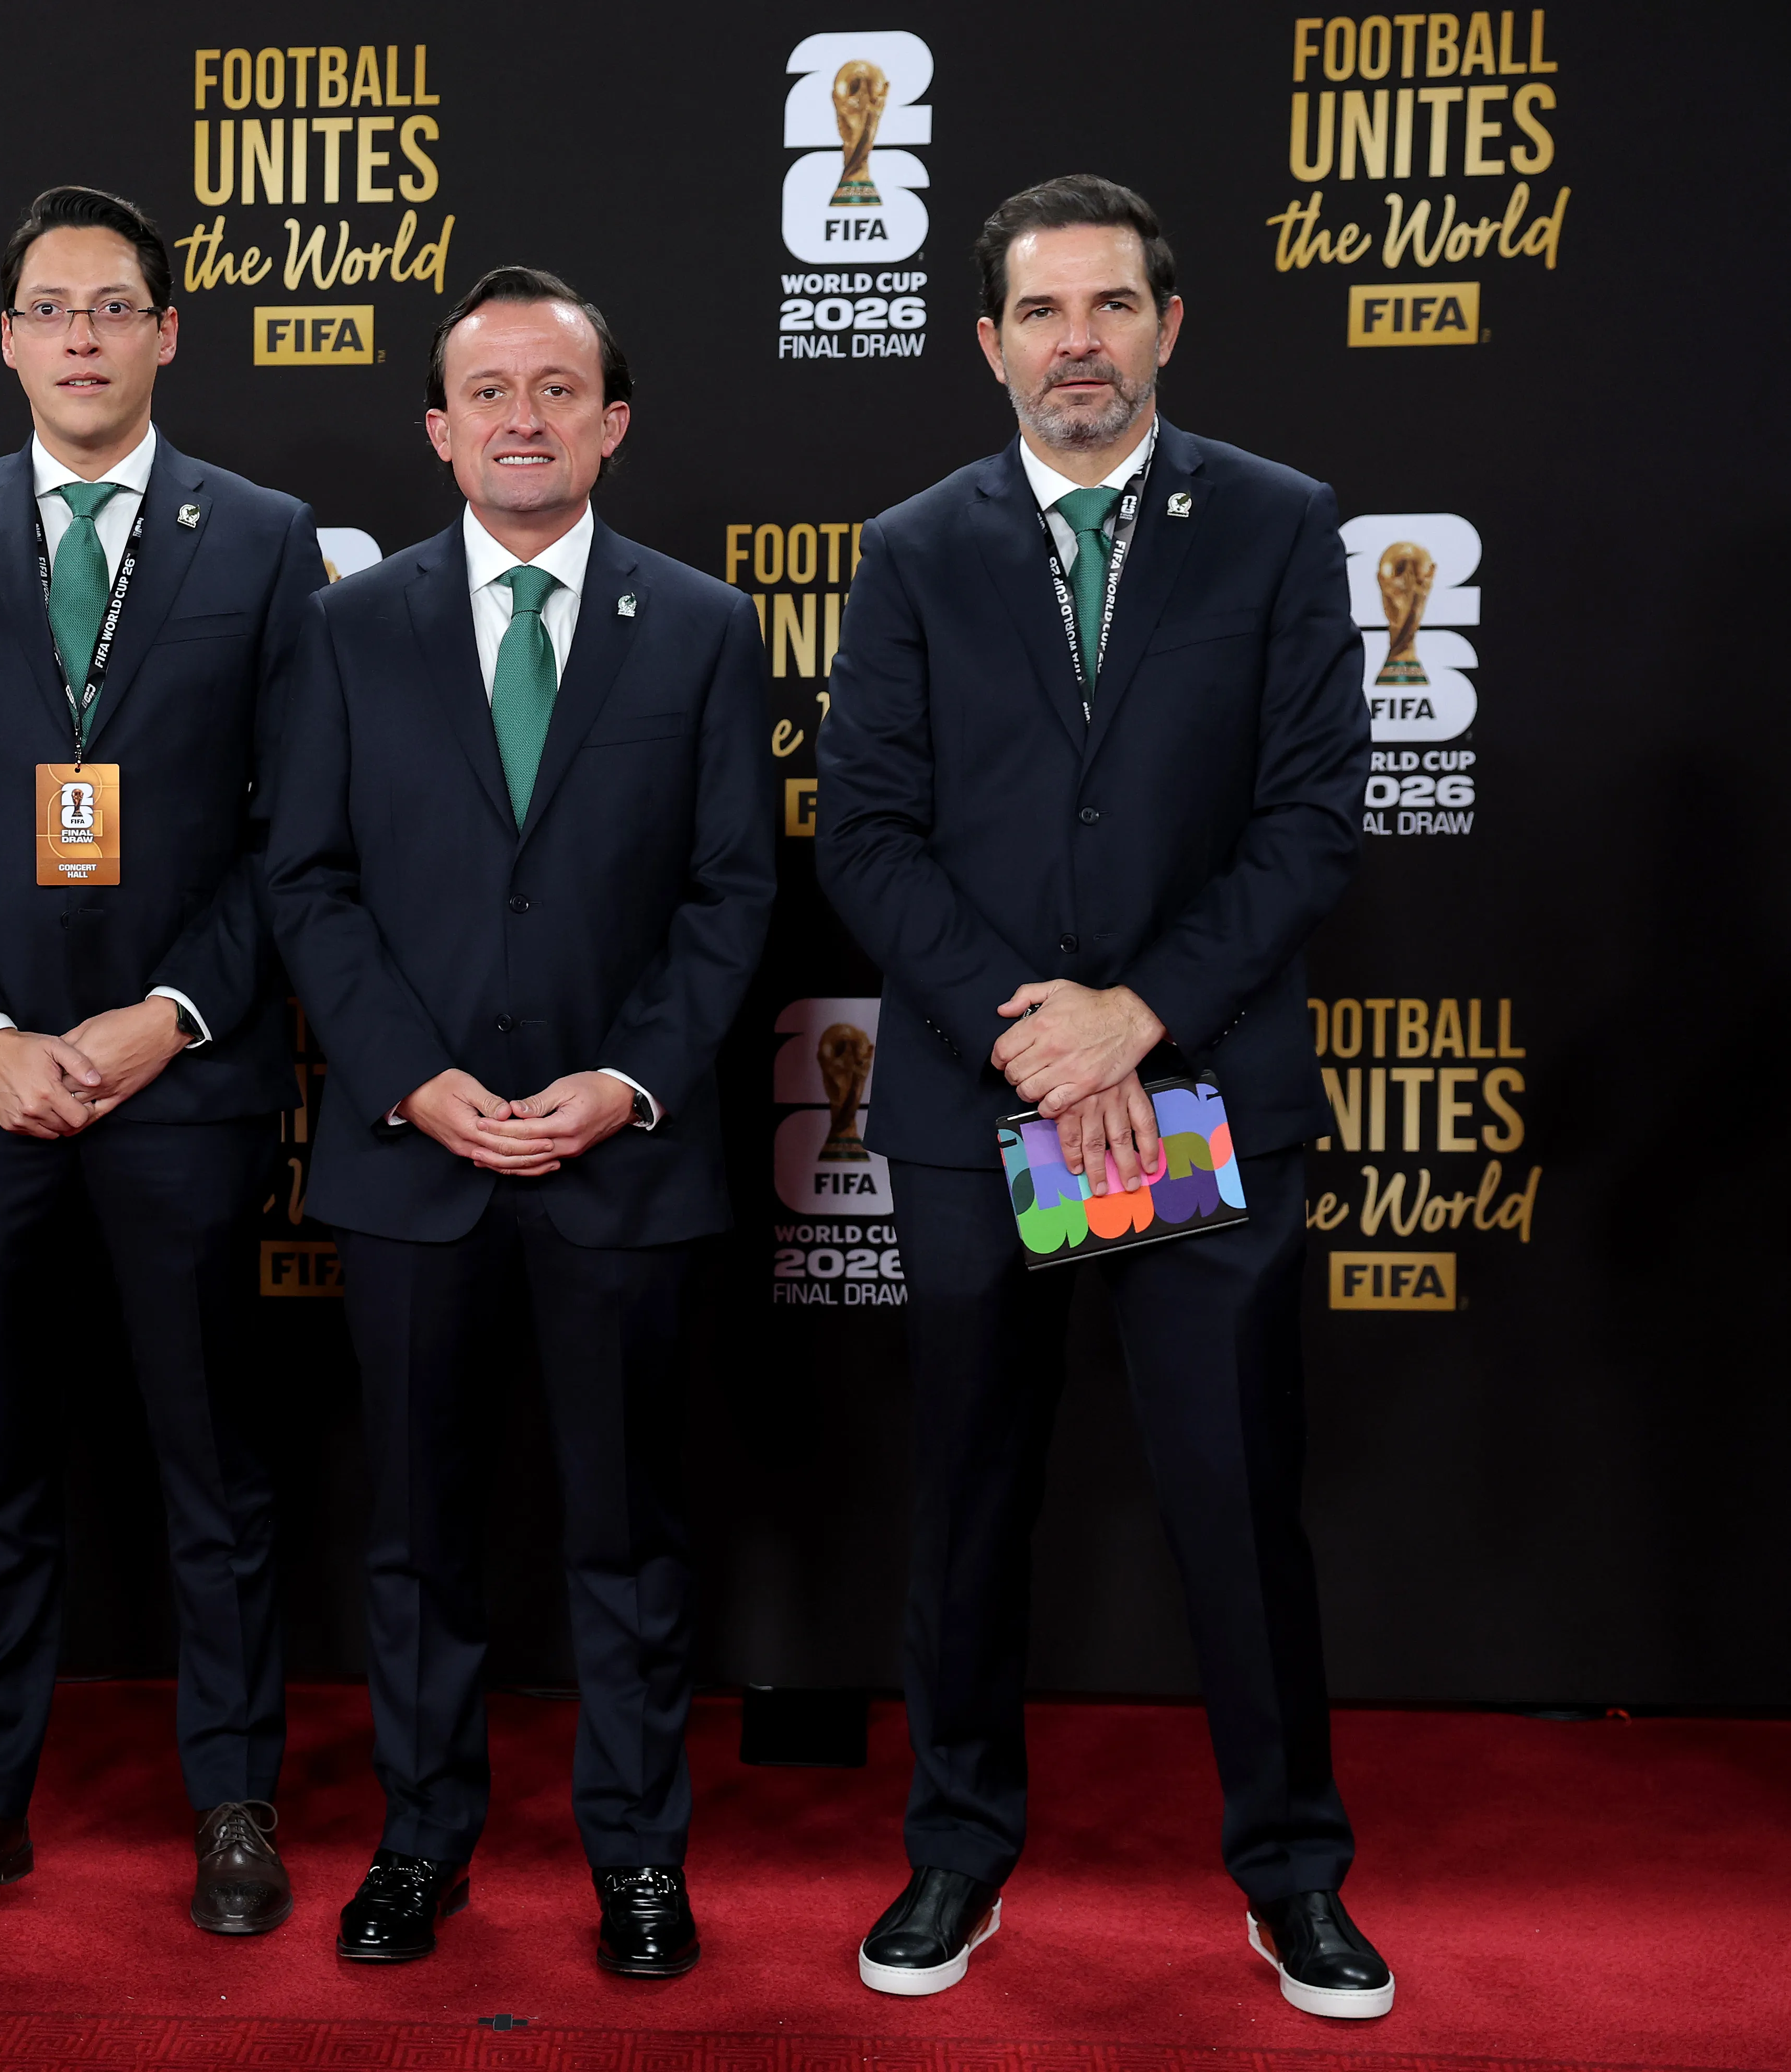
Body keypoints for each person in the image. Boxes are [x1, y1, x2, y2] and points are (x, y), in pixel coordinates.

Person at [813, 176, 1388, 2019]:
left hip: (1194, 1090)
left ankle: (1293, 1875)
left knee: (1236, 1498)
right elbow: (865, 831)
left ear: (1169, 325)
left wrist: (1136, 1020)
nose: (1081, 343)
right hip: (985, 1102)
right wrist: (1038, 1041)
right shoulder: (913, 548)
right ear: (988, 341)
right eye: (1044, 312)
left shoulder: (1280, 525)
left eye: (1113, 306)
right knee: (970, 1498)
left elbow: (1311, 820)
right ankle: (956, 1854)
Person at [266, 267, 774, 1976]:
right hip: (414, 1160)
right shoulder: (349, 626)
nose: (523, 420)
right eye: (489, 393)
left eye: (558, 391)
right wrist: (411, 1079)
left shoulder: (702, 627)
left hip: (624, 1162)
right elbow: (308, 882)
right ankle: (421, 1840)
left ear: (612, 425)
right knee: (417, 1537)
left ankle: (640, 1857)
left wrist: (626, 1083)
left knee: (628, 1535)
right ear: (438, 429)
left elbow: (732, 892)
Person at [0, 186, 326, 1939]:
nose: (83, 338)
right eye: (51, 309)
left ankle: (235, 1806)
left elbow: (297, 835)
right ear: (7, 338)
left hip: (181, 1085)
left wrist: (163, 1017)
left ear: (167, 332)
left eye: (115, 307)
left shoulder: (263, 537)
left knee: (215, 1469)